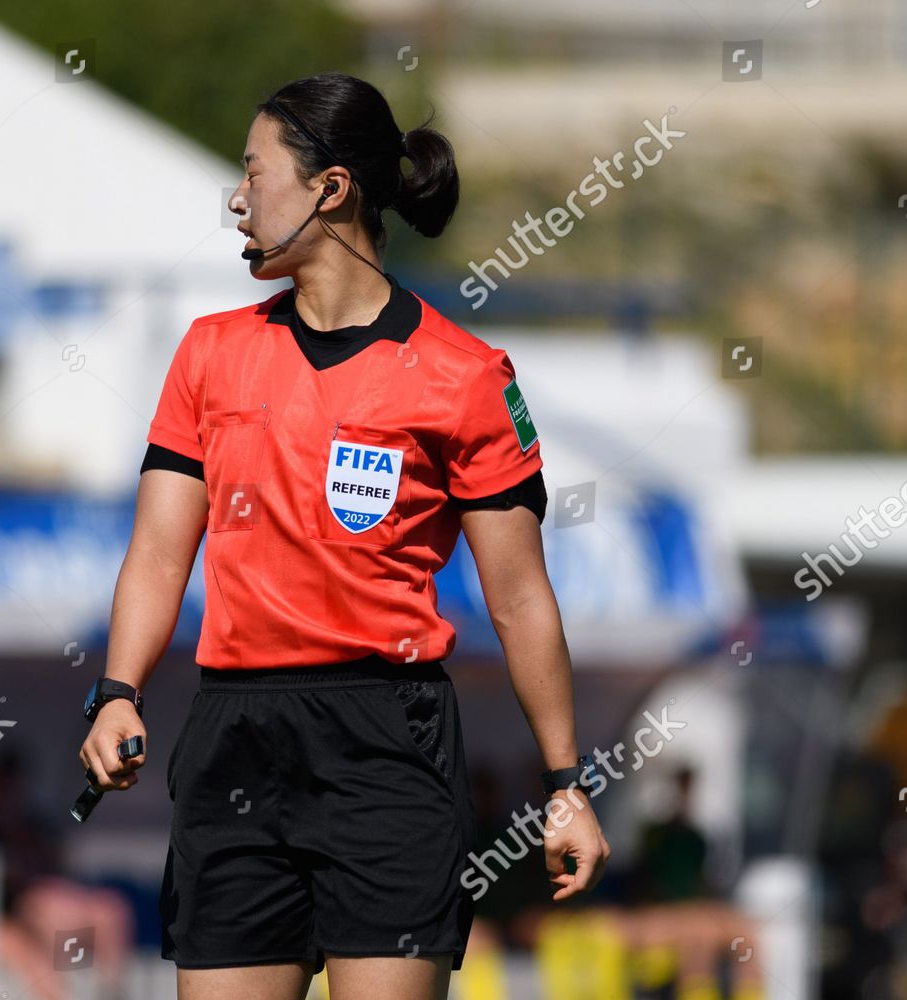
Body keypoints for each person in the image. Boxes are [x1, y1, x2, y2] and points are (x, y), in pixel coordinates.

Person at [77, 72, 609, 1000]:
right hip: (232, 735)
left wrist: (565, 781)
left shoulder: (465, 375)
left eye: (254, 172)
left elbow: (519, 596)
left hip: (387, 747)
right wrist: (117, 691)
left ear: (331, 189)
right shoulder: (209, 351)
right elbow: (161, 552)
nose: (237, 199)